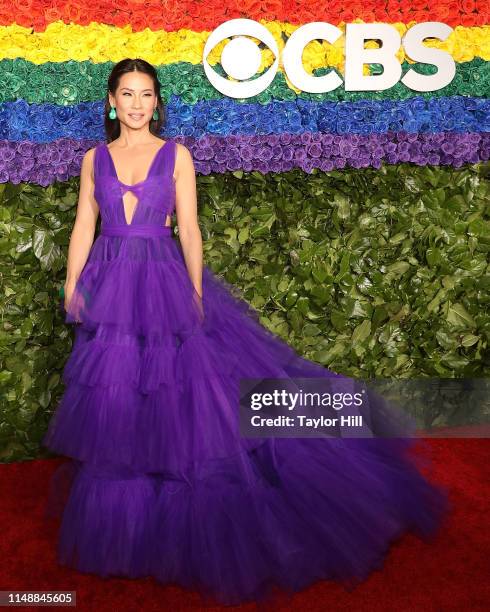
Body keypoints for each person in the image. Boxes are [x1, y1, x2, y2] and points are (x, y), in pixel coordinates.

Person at [42, 58, 450, 607]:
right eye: (127, 94)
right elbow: (82, 225)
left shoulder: (176, 155)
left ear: (157, 102)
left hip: (163, 283)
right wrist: (73, 284)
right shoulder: (95, 159)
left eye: (146, 95)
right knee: (120, 400)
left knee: (178, 395)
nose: (137, 105)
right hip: (111, 288)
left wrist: (193, 291)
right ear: (111, 102)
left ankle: (188, 510)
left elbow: (188, 228)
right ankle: (131, 523)